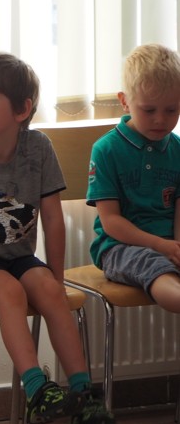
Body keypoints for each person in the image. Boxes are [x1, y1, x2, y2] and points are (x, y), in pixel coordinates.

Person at [0, 52, 115, 424]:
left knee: (47, 289)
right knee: (10, 291)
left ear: (22, 109)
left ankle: (84, 394)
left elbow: (53, 219)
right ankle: (37, 390)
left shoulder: (38, 148)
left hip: (15, 256)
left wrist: (56, 278)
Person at [88, 43, 180, 313]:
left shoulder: (177, 149)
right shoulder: (106, 149)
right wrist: (160, 246)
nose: (160, 120)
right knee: (155, 265)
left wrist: (176, 247)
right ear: (124, 100)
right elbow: (111, 221)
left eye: (172, 110)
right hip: (120, 247)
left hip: (168, 243)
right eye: (149, 110)